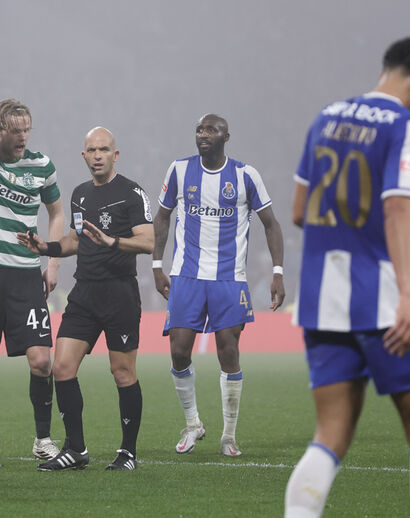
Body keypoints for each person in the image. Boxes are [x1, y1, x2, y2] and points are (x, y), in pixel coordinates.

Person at [284, 37, 410, 517]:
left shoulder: (326, 117)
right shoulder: (408, 124)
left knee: (329, 436)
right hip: (383, 299)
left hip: (322, 301)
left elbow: (299, 210)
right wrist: (407, 295)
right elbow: (399, 205)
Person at [19, 127, 153, 471]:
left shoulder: (131, 193)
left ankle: (128, 453)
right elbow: (76, 240)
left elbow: (150, 241)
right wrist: (46, 247)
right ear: (84, 156)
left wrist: (114, 242)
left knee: (122, 372)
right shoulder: (79, 195)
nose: (97, 155)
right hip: (84, 293)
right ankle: (76, 449)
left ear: (115, 154)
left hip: (119, 293)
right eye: (91, 150)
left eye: (103, 149)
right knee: (61, 367)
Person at [151, 114, 285, 457]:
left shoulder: (245, 175)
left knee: (228, 351)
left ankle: (228, 435)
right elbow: (163, 217)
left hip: (229, 278)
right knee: (179, 350)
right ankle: (193, 423)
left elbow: (271, 224)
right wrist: (156, 265)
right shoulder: (179, 170)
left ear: (226, 136)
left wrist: (278, 272)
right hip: (187, 275)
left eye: (211, 130)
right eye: (199, 129)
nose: (203, 134)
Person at [0, 70, 65, 470]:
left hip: (24, 275)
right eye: (15, 131)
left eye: (27, 131)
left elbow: (56, 212)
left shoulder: (41, 166)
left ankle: (42, 440)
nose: (23, 138)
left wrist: (52, 260)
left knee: (41, 361)